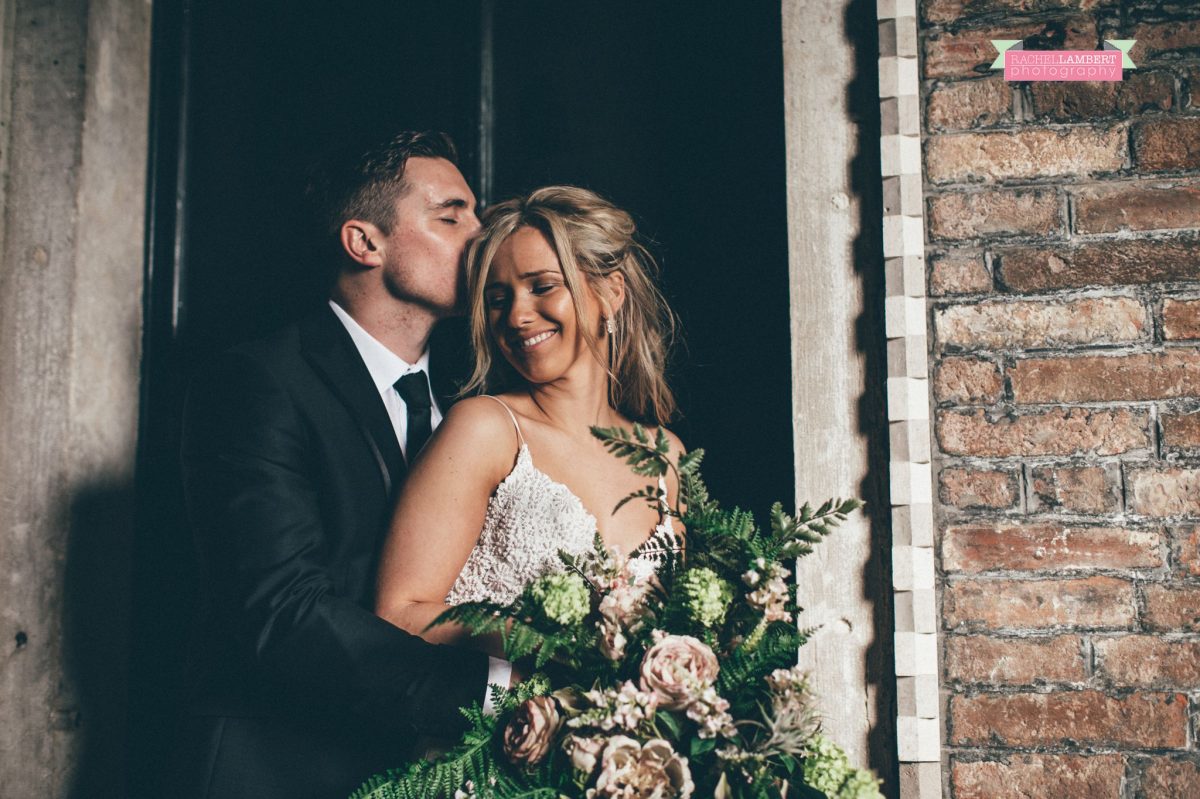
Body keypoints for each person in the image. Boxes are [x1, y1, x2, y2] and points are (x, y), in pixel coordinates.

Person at [177, 131, 507, 798]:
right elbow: (283, 610)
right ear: (365, 242)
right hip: (279, 769)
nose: (482, 234)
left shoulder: (473, 409)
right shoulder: (260, 379)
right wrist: (498, 695)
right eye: (452, 215)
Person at [375, 185, 685, 656]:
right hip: (500, 720)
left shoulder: (666, 455)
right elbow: (399, 613)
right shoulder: (485, 429)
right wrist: (541, 644)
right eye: (499, 300)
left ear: (611, 292)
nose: (517, 316)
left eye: (542, 287)